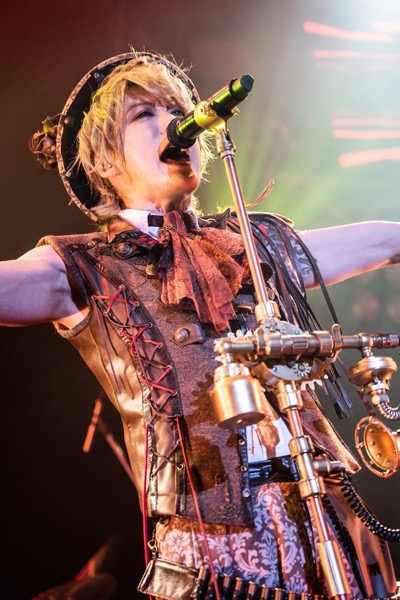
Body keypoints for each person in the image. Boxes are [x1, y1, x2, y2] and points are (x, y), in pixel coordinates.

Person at [1, 50, 399, 599]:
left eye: (176, 108)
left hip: (323, 515)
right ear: (106, 162)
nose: (174, 120)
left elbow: (388, 240)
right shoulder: (84, 266)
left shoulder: (250, 244)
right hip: (212, 543)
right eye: (145, 114)